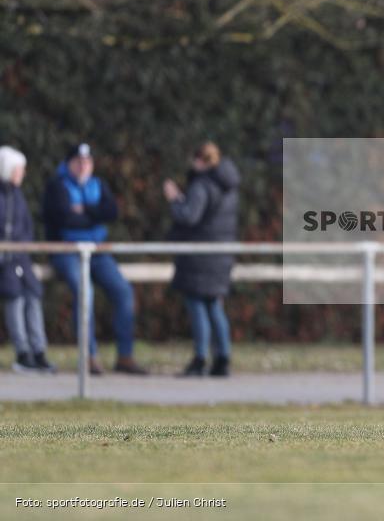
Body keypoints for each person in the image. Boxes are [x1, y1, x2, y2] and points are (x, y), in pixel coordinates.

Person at [43, 143, 147, 375]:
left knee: (123, 291)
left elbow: (111, 212)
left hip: (98, 251)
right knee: (84, 293)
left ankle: (125, 356)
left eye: (87, 161)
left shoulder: (97, 184)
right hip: (68, 251)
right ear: (69, 163)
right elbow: (64, 219)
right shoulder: (57, 186)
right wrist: (94, 213)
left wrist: (84, 210)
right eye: (78, 161)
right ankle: (88, 357)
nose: (83, 166)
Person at [164, 142, 240, 377]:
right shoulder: (229, 186)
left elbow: (189, 216)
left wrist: (175, 199)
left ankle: (199, 358)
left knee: (197, 305)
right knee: (214, 306)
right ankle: (222, 358)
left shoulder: (202, 185)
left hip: (199, 256)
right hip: (221, 254)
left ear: (199, 160)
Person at [0, 146, 55, 373]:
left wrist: (20, 250)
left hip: (20, 259)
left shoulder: (17, 195)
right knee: (15, 297)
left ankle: (39, 350)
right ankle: (23, 352)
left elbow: (26, 228)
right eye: (18, 169)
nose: (22, 173)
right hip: (6, 261)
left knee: (33, 294)